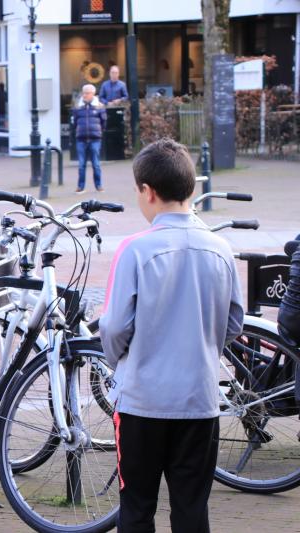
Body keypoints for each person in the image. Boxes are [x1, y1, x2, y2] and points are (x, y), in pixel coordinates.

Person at [100, 138, 244, 533]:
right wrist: (204, 346)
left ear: (147, 191)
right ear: (192, 189)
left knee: (136, 507)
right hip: (199, 400)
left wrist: (124, 361)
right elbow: (234, 322)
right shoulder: (221, 248)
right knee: (192, 508)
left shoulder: (135, 250)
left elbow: (114, 327)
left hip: (142, 401)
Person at [71, 84, 106, 193]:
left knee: (96, 164)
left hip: (95, 138)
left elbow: (104, 122)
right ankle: (80, 187)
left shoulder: (99, 106)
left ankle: (98, 185)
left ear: (93, 94)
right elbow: (74, 122)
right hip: (81, 138)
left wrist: (98, 132)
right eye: (84, 93)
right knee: (81, 165)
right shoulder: (78, 107)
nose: (84, 95)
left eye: (87, 93)